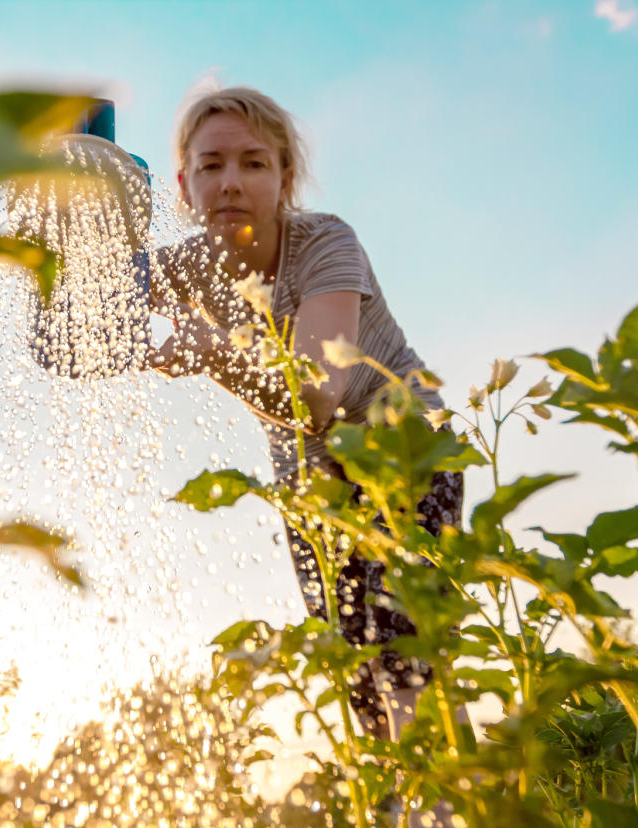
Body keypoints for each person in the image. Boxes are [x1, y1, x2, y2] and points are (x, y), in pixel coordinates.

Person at [147, 86, 464, 744]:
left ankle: (441, 809)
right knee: (357, 668)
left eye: (254, 163)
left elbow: (319, 397)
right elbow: (98, 291)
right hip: (314, 489)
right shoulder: (191, 267)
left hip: (405, 452)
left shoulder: (326, 243)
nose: (230, 183)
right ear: (183, 183)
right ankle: (439, 803)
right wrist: (75, 205)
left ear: (286, 176)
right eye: (211, 166)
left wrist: (215, 357)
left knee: (405, 654)